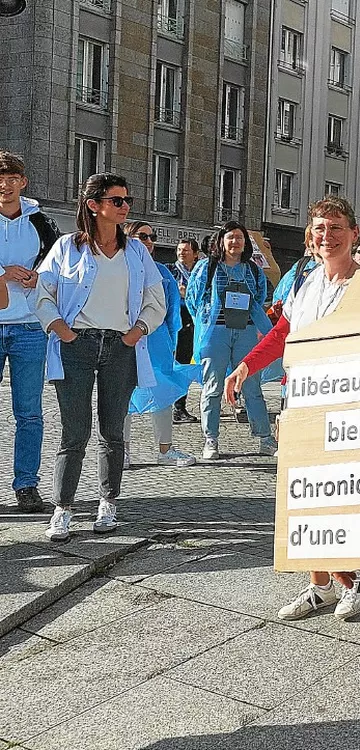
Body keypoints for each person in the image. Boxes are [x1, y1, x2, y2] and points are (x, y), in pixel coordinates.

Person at [225, 197, 360, 621]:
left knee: (341, 492)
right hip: (302, 399)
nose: (325, 236)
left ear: (353, 234)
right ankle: (320, 584)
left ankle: (354, 576)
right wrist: (246, 365)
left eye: (334, 228)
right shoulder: (306, 281)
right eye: (318, 229)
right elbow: (283, 331)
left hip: (348, 402)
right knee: (303, 494)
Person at [34, 173, 166, 542]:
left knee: (113, 432)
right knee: (74, 432)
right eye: (118, 200)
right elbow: (42, 295)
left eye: (127, 200)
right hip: (77, 344)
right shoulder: (66, 247)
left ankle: (108, 501)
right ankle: (63, 508)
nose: (125, 207)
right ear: (94, 205)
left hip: (120, 347)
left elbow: (157, 301)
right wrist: (62, 330)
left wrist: (137, 331)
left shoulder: (137, 251)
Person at [186, 220, 275, 460]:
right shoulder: (206, 267)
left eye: (239, 237)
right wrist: (205, 320)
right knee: (213, 387)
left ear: (246, 242)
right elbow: (193, 300)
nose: (235, 242)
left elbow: (259, 297)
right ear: (221, 242)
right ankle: (210, 439)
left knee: (252, 386)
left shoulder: (253, 269)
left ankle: (265, 438)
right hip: (216, 331)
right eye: (230, 237)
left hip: (245, 331)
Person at [0, 151, 56, 513]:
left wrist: (39, 277)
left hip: (30, 327)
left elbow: (58, 265)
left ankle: (26, 485)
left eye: (11, 178)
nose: (4, 185)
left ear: (23, 182)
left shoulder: (41, 221)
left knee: (30, 413)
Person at [122, 221, 198, 469]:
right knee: (120, 394)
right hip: (122, 340)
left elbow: (172, 311)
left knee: (163, 390)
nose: (148, 241)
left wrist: (170, 341)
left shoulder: (162, 273)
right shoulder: (117, 268)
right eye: (142, 236)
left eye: (151, 237)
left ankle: (165, 450)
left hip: (157, 340)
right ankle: (120, 452)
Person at [169, 238, 201, 424]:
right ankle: (168, 405)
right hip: (173, 319)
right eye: (179, 250)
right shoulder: (170, 270)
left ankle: (179, 407)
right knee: (170, 364)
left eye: (186, 250)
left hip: (191, 321)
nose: (182, 253)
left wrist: (187, 292)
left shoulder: (200, 272)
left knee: (183, 365)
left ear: (195, 254)